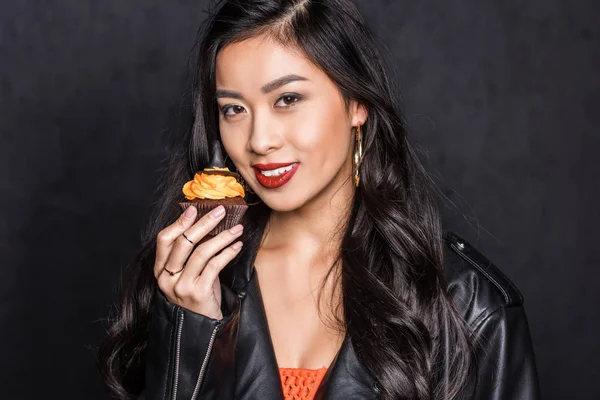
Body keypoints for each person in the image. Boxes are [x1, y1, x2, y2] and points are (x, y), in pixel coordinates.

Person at [98, 0, 540, 399]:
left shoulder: (469, 306)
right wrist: (188, 334)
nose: (259, 140)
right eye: (234, 109)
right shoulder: (190, 277)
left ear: (356, 103)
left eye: (287, 99)